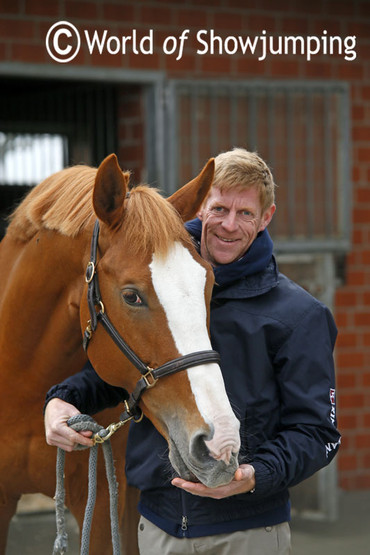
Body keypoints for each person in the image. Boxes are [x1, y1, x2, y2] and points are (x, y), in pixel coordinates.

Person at [44, 147, 341, 555]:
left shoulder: (299, 315)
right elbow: (137, 369)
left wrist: (255, 474)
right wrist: (63, 399)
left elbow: (319, 434)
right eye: (219, 209)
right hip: (158, 526)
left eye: (246, 214)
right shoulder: (170, 288)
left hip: (248, 531)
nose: (229, 226)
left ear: (266, 218)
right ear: (201, 206)